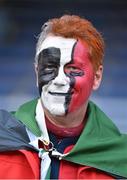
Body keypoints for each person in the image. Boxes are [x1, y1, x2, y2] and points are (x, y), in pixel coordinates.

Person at [0, 14, 127, 179]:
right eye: (49, 68)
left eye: (73, 70)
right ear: (36, 72)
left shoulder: (121, 158)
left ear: (97, 77)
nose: (60, 80)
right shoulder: (3, 136)